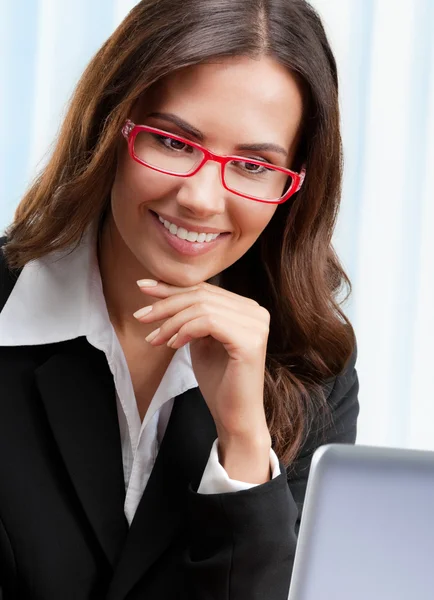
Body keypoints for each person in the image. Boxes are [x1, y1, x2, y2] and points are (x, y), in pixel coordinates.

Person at [0, 0, 359, 598]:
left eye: (251, 165)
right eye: (172, 141)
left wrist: (245, 444)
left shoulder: (314, 371)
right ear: (110, 125)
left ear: (294, 184)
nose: (199, 197)